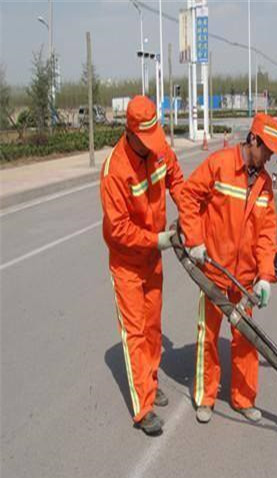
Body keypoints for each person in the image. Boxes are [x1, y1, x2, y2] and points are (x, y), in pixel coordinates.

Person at [178, 113, 277, 424]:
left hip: (245, 277)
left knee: (246, 339)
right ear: (253, 140)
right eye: (268, 150)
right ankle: (206, 397)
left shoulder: (264, 183)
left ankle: (243, 398)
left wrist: (265, 276)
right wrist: (194, 240)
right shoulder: (220, 164)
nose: (271, 156)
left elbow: (267, 233)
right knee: (208, 337)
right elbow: (188, 196)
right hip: (214, 273)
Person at [100, 95, 184, 435]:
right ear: (130, 131)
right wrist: (156, 240)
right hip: (128, 264)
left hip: (153, 258)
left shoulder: (159, 150)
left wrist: (189, 221)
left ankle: (149, 380)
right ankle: (143, 408)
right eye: (144, 140)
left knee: (152, 327)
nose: (151, 147)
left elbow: (178, 181)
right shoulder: (115, 172)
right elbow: (118, 229)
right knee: (135, 332)